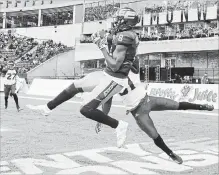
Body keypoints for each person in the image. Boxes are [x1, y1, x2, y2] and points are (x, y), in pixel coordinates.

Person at [27, 7, 140, 148]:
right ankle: (47, 108)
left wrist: (102, 46)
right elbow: (107, 96)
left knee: (85, 109)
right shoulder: (122, 34)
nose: (115, 21)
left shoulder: (126, 37)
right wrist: (100, 37)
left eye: (119, 19)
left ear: (126, 22)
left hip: (115, 79)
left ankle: (119, 125)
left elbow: (115, 66)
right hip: (107, 75)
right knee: (75, 86)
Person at [96, 79, 214, 164]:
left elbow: (133, 52)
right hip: (137, 111)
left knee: (176, 105)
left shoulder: (128, 65)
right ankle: (170, 153)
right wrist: (101, 118)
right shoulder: (111, 79)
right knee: (154, 135)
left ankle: (201, 107)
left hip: (148, 100)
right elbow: (107, 101)